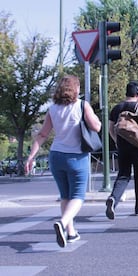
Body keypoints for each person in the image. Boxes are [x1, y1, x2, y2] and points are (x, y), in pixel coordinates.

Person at [25, 75, 101, 248]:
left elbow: (42, 134)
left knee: (65, 195)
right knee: (78, 196)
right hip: (77, 157)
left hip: (56, 156)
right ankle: (63, 222)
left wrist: (31, 156)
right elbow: (96, 127)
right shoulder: (82, 105)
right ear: (76, 89)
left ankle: (71, 232)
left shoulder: (53, 109)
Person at [105, 81, 138, 220]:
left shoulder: (116, 108)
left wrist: (117, 141)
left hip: (123, 146)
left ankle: (113, 198)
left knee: (123, 175)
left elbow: (110, 129)